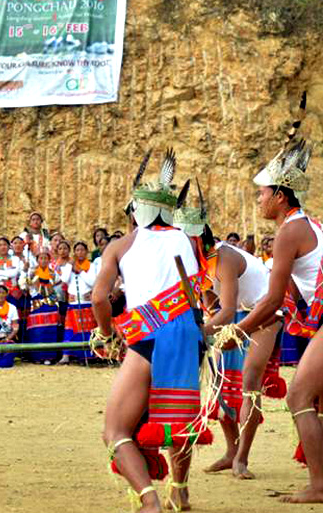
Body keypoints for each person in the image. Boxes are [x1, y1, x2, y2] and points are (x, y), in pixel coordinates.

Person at [92, 150, 207, 513]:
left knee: (115, 430)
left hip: (149, 338)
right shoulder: (187, 241)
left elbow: (99, 298)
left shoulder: (122, 245)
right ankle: (180, 490)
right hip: (190, 337)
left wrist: (107, 332)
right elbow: (194, 295)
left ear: (135, 212)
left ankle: (149, 501)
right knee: (177, 418)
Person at [236, 136, 323, 502]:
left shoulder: (289, 231)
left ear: (280, 197)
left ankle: (319, 486)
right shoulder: (310, 223)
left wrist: (236, 330)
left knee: (300, 395)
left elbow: (272, 299)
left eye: (262, 193)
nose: (258, 200)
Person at [174, 202, 274, 480]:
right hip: (236, 313)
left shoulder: (224, 256)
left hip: (265, 312)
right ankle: (231, 452)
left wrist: (199, 331)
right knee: (219, 386)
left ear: (196, 237)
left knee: (249, 383)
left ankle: (242, 457)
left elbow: (227, 309)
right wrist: (202, 322)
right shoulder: (198, 260)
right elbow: (212, 303)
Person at [57, 241, 96, 365]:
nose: (80, 252)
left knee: (86, 331)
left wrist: (81, 272)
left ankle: (86, 356)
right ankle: (66, 356)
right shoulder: (68, 265)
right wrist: (70, 266)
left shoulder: (90, 266)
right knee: (70, 330)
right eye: (77, 250)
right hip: (73, 303)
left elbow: (92, 282)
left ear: (86, 252)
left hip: (86, 303)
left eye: (82, 250)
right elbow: (64, 279)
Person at [25, 251, 61, 364]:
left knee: (50, 330)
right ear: (37, 260)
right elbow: (25, 285)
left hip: (50, 304)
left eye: (46, 258)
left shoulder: (53, 273)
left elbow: (57, 287)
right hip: (36, 303)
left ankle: (49, 357)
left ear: (49, 260)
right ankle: (36, 356)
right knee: (37, 330)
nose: (44, 260)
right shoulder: (32, 272)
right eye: (41, 258)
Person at [0, 284, 20, 368]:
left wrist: (8, 338)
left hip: (6, 338)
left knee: (10, 349)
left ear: (6, 294)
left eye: (3, 293)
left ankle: (0, 361)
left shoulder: (12, 307)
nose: (1, 295)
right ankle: (0, 360)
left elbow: (15, 327)